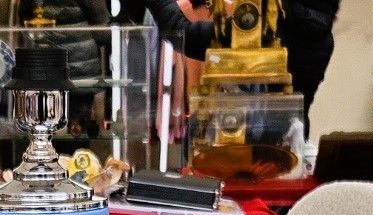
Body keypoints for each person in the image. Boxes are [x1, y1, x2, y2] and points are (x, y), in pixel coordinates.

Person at [129, 0, 340, 130]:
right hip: (292, 148)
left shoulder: (261, 27)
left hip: (243, 150)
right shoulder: (323, 38)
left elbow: (183, 35)